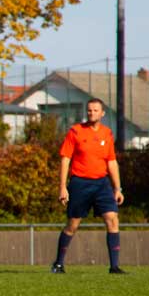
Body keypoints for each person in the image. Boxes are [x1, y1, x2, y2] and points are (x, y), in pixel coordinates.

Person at [51, 98, 125, 274]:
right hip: (80, 183)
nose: (92, 113)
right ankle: (58, 264)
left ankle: (114, 267)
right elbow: (65, 159)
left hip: (102, 184)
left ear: (102, 113)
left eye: (95, 110)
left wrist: (118, 188)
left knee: (112, 219)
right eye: (89, 110)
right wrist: (63, 187)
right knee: (73, 225)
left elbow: (112, 161)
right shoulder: (76, 131)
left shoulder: (107, 134)